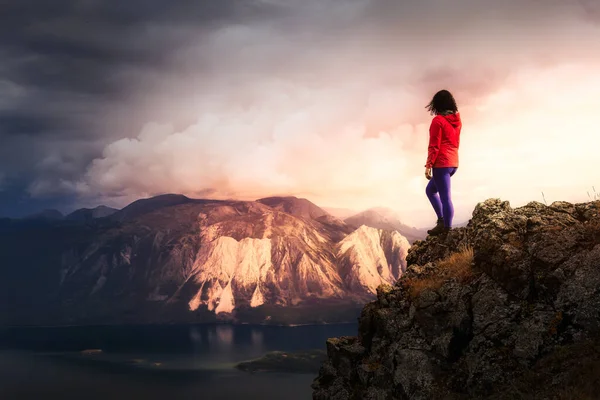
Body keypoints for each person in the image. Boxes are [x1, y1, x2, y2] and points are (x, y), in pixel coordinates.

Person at [423, 90, 462, 236]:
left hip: (442, 163)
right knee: (430, 190)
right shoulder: (457, 121)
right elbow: (456, 143)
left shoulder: (438, 121)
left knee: (445, 197)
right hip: (453, 163)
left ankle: (446, 229)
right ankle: (442, 222)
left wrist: (428, 165)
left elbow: (434, 146)